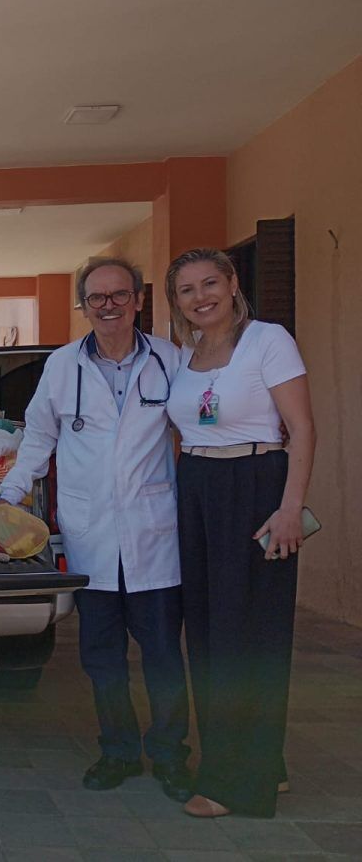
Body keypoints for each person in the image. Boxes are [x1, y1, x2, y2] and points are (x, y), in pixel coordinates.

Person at [0, 257, 194, 801]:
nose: (108, 305)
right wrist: (9, 494)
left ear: (137, 301)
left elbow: (197, 431)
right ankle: (119, 751)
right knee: (102, 658)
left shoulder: (170, 360)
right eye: (97, 297)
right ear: (84, 306)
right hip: (90, 534)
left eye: (119, 295)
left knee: (162, 656)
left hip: (154, 533)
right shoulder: (61, 366)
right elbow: (38, 438)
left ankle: (172, 755)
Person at [164, 248, 316, 819]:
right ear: (177, 301)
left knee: (249, 636)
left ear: (232, 284)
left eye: (210, 283)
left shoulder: (268, 340)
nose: (200, 297)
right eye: (186, 290)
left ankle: (234, 784)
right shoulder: (185, 353)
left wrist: (290, 508)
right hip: (199, 486)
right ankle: (263, 766)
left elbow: (301, 428)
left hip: (256, 484)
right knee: (206, 632)